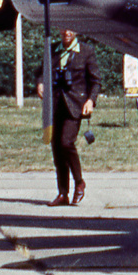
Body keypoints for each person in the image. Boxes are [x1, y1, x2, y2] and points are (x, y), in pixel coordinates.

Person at [37, 29, 101, 206]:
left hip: (75, 105)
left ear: (76, 31)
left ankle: (79, 182)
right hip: (55, 104)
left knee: (66, 142)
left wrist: (90, 101)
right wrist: (41, 82)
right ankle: (63, 193)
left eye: (70, 29)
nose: (67, 32)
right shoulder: (52, 49)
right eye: (63, 29)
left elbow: (96, 81)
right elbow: (41, 71)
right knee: (57, 148)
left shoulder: (86, 51)